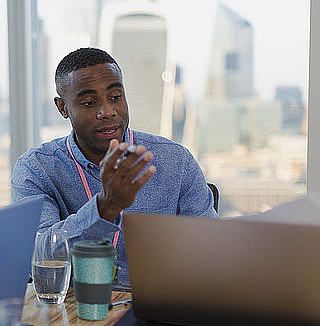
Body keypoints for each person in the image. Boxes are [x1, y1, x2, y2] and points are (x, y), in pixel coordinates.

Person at [12, 47, 218, 285]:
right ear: (63, 108)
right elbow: (41, 258)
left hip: (159, 309)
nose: (108, 112)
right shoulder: (37, 168)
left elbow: (211, 253)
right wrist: (105, 207)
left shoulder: (176, 161)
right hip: (75, 310)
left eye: (115, 98)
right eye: (89, 102)